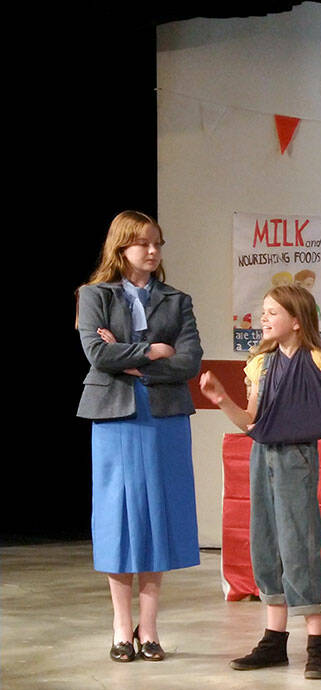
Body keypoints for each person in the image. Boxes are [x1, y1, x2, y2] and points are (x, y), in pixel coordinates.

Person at [77, 211, 203, 663]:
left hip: (164, 414)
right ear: (121, 247)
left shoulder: (176, 300)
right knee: (118, 516)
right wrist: (151, 349)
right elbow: (95, 352)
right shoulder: (94, 295)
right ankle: (119, 629)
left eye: (158, 243)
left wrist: (127, 357)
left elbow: (189, 360)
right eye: (143, 244)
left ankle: (148, 629)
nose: (153, 252)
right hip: (114, 415)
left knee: (155, 516)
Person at [199, 284, 321, 679]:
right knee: (265, 543)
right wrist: (222, 398)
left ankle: (317, 645)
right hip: (263, 456)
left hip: (296, 457)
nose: (263, 319)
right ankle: (274, 640)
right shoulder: (260, 363)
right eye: (263, 312)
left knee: (299, 543)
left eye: (272, 312)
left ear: (296, 321)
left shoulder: (319, 363)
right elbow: (252, 423)